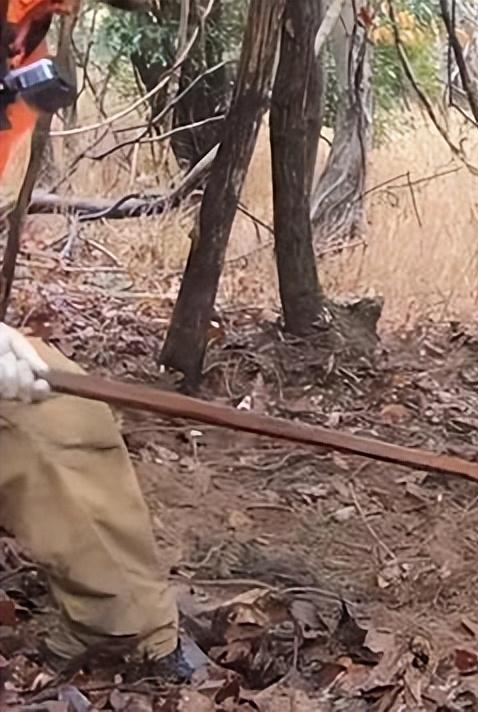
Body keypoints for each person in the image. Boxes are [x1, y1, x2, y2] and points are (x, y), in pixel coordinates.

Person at [0, 0, 198, 680]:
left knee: (64, 409)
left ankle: (125, 625)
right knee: (28, 423)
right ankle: (125, 632)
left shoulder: (24, 33)